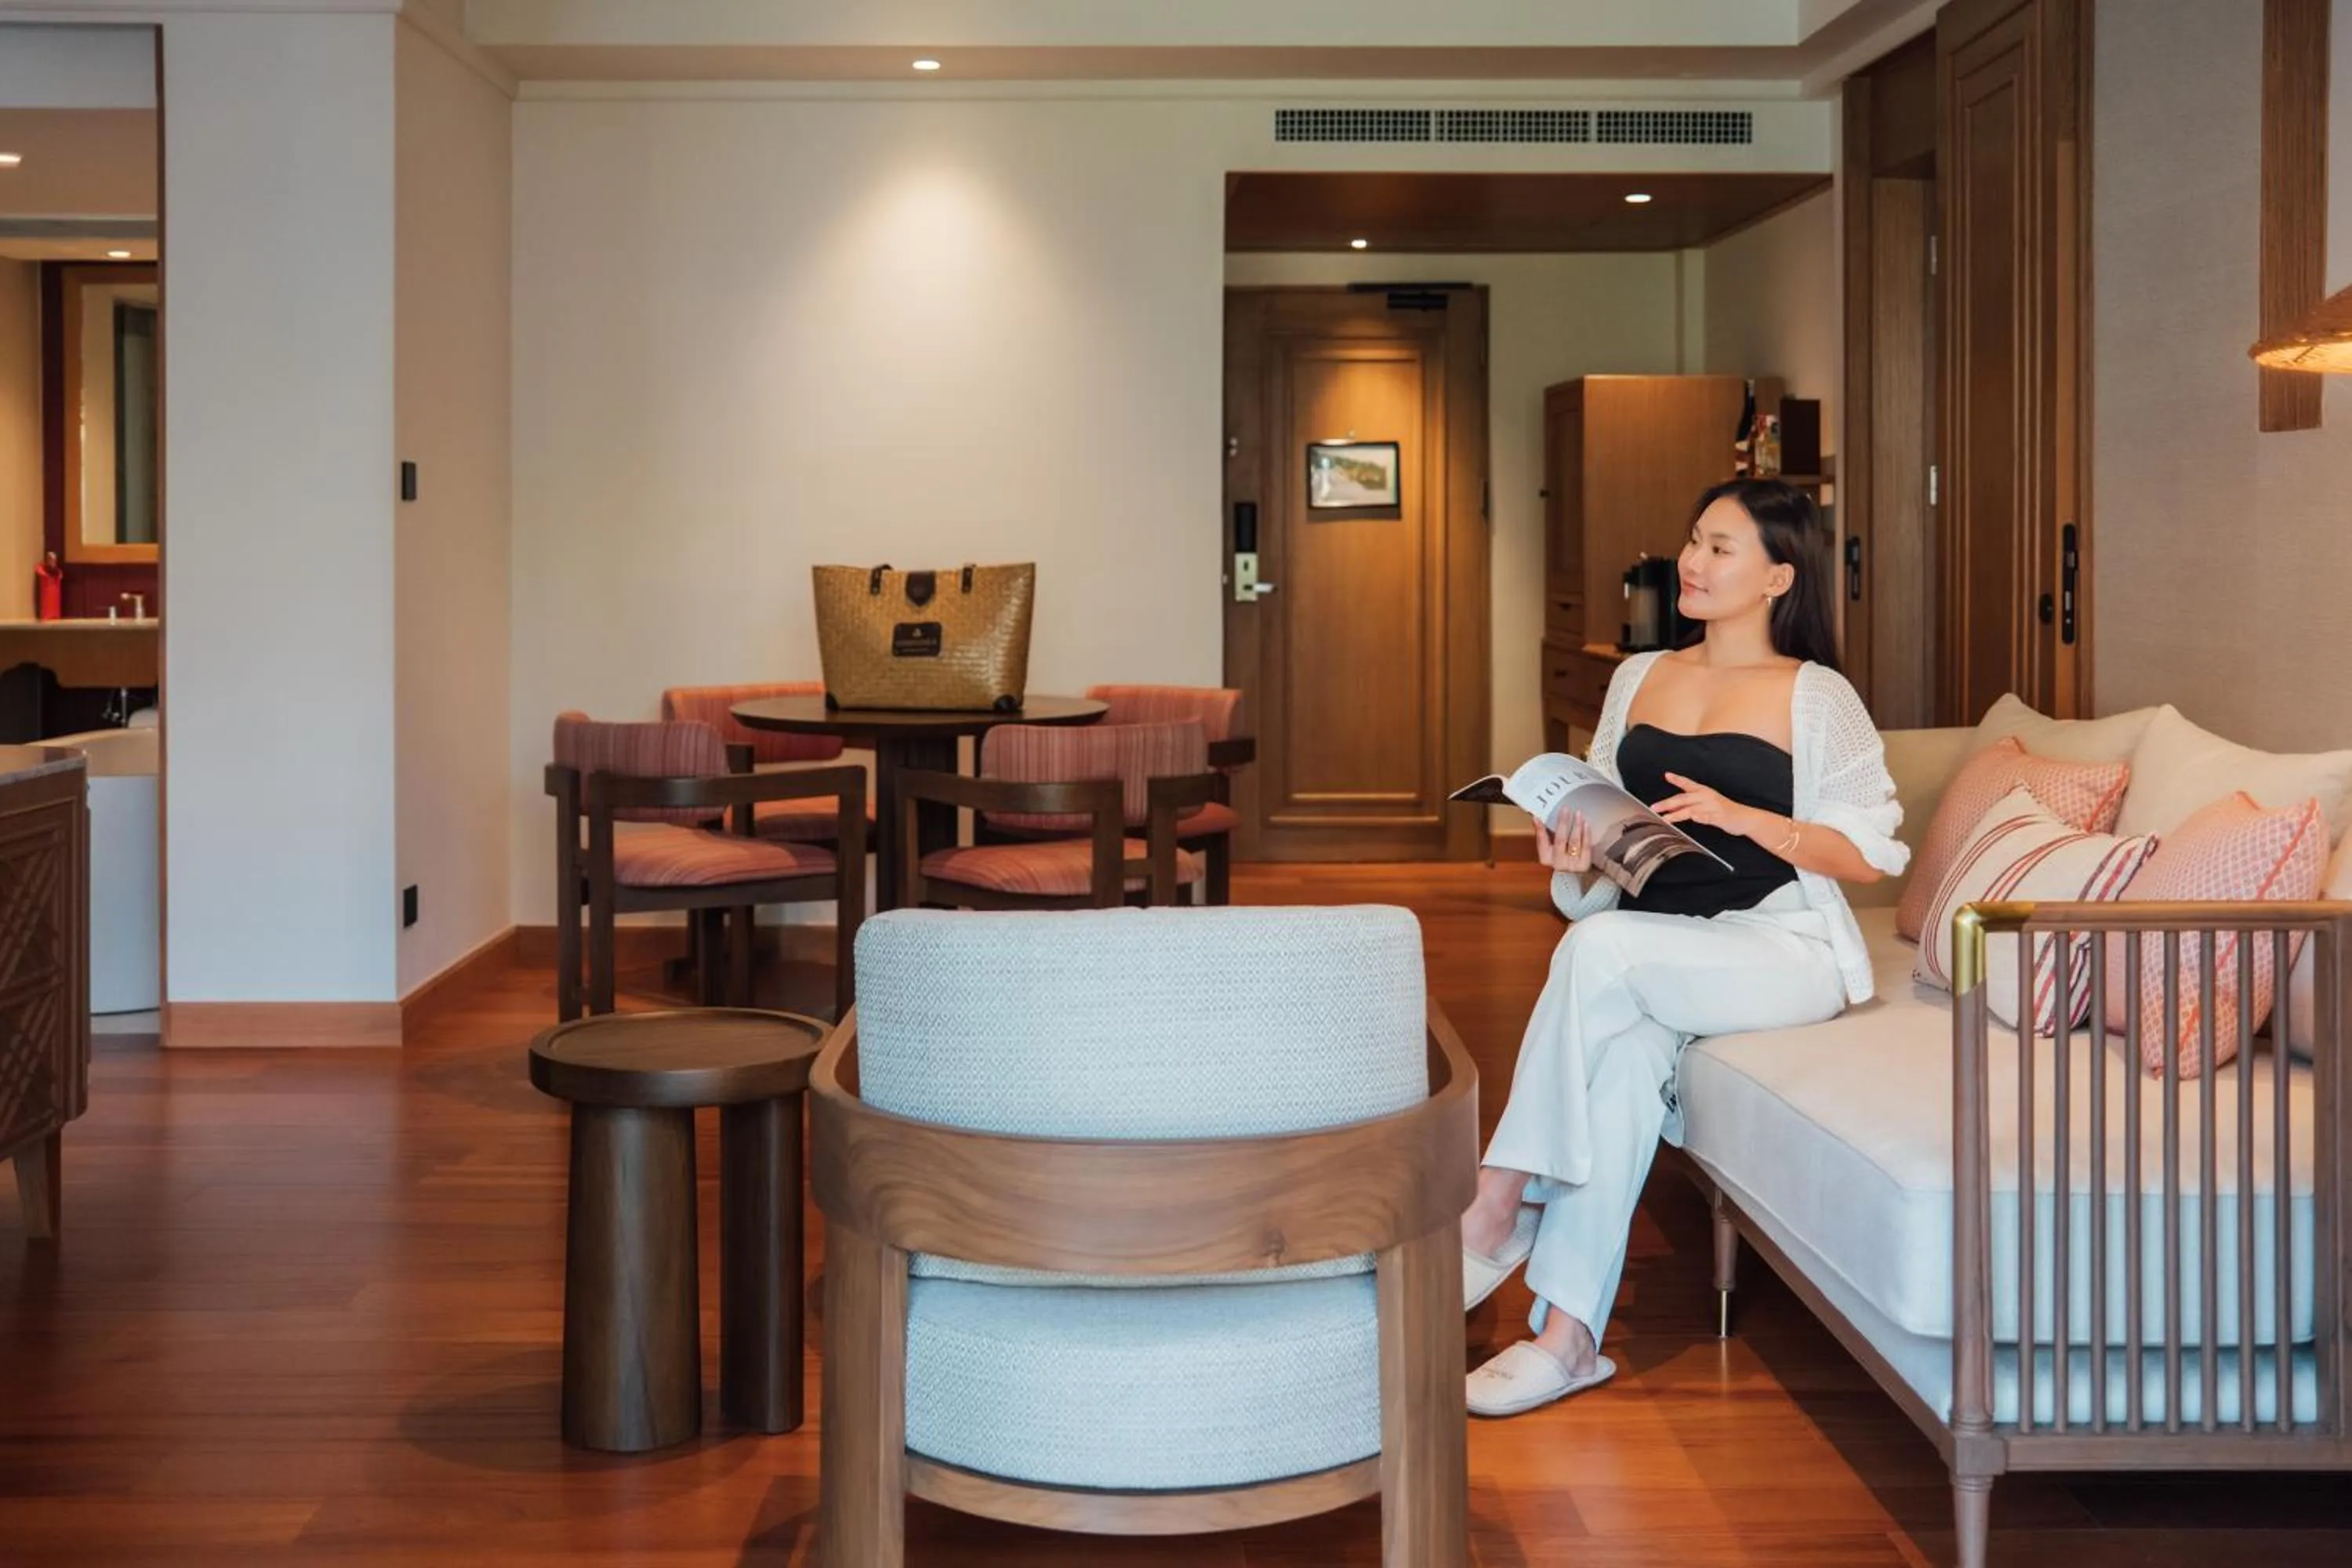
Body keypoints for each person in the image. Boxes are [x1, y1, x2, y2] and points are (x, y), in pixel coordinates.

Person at [1460, 477, 1908, 1417]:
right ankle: (1567, 1338)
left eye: (1721, 548)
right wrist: (1575, 850)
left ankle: (1497, 1197)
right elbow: (1611, 839)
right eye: (1693, 540)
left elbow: (1866, 852)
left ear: (1779, 575)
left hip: (1779, 945)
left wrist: (1751, 816)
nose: (1692, 563)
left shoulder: (1816, 695)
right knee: (1620, 1066)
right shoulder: (1639, 674)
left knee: (1597, 956)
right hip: (1664, 933)